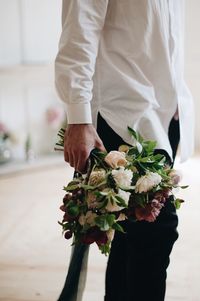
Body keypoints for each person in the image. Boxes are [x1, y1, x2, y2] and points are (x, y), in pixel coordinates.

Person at [55, 1, 194, 300]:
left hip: (164, 114)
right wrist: (78, 116)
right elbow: (80, 29)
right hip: (121, 111)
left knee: (132, 236)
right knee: (158, 230)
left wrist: (177, 102)